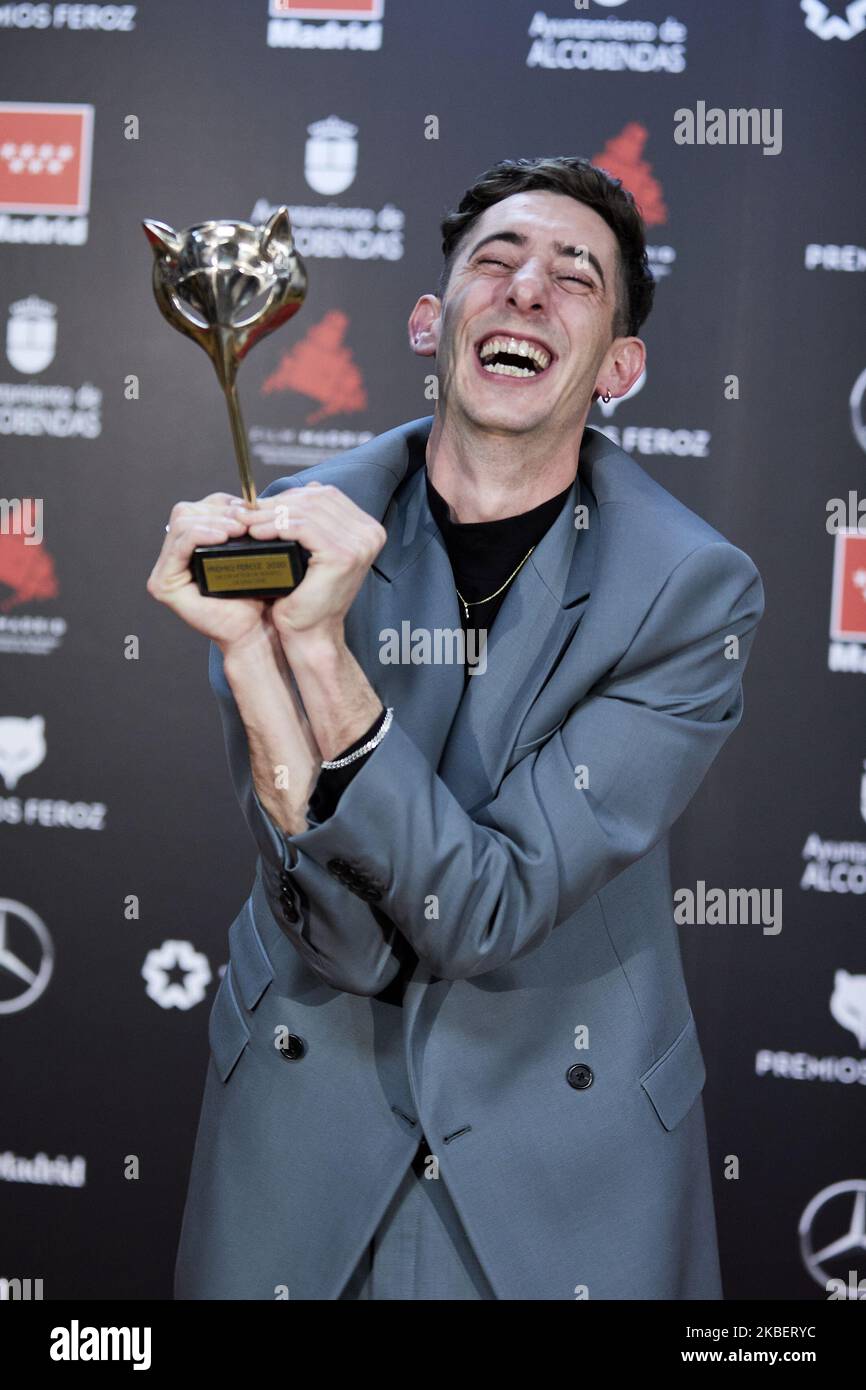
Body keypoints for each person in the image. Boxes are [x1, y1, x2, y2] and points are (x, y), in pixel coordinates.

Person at [149, 156, 764, 1300]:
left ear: (618, 366)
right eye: (496, 259)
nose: (527, 289)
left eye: (574, 276)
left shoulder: (691, 589)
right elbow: (340, 929)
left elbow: (483, 908)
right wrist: (251, 648)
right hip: (300, 1135)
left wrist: (317, 656)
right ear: (432, 322)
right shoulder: (278, 537)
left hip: (564, 1173)